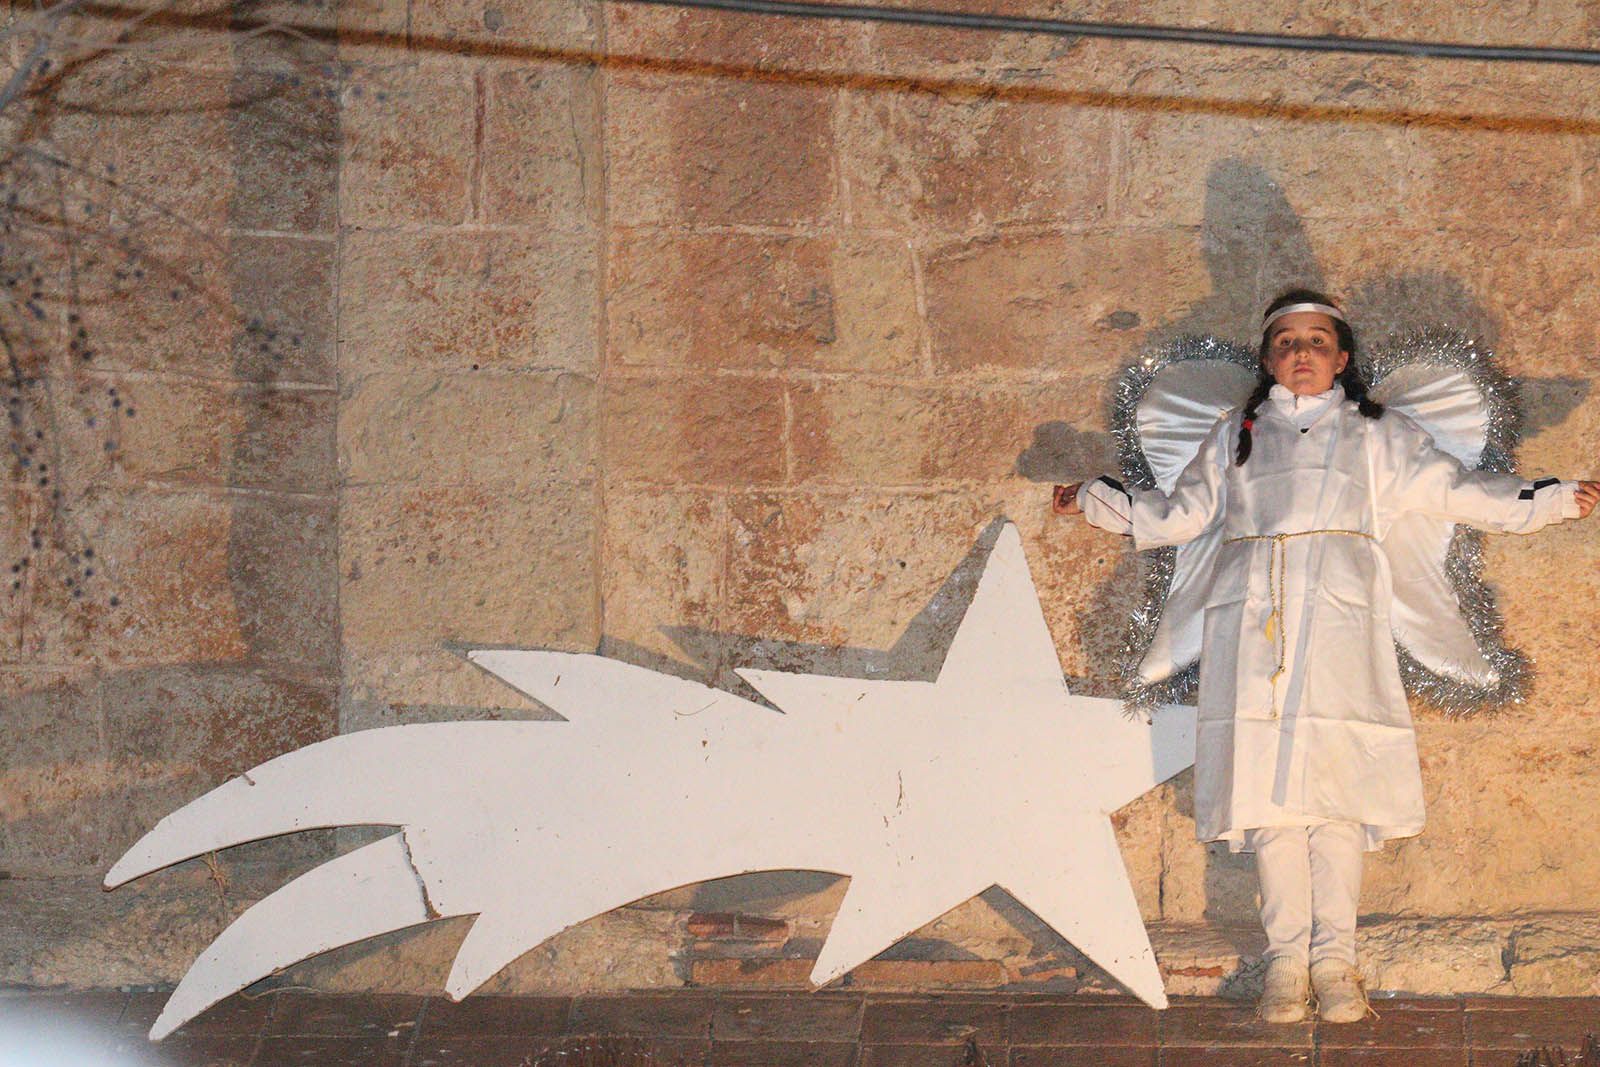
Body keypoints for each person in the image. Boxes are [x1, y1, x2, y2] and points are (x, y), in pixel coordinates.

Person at [1051, 289, 1600, 1023]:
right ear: (1268, 356)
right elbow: (1178, 513)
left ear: (1342, 357)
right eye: (1286, 342)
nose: (1301, 353)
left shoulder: (1377, 432)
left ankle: (1335, 959)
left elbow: (1456, 490)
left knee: (1337, 798)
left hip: (1342, 625)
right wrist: (1095, 496)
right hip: (1253, 626)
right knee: (1273, 805)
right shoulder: (1235, 433)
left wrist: (1554, 499)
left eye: (1316, 341)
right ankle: (1284, 961)